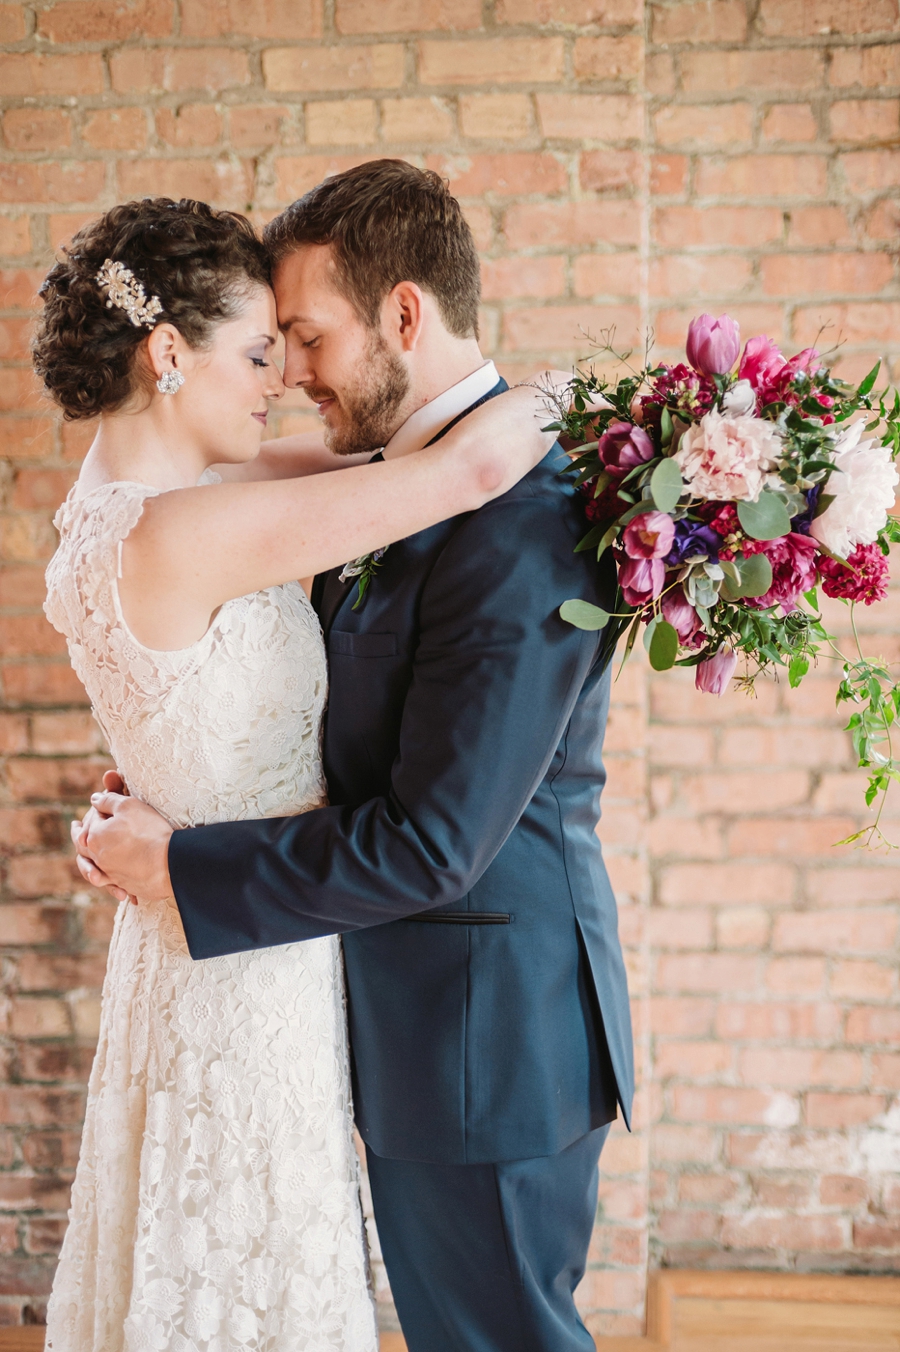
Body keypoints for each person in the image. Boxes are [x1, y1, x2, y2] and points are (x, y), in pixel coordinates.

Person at [73, 161, 635, 1352]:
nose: (291, 376)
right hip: (367, 1011)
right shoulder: (378, 487)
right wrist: (180, 775)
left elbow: (437, 835)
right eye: (268, 347)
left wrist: (188, 862)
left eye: (307, 338)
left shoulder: (517, 519)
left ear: (405, 314)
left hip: (485, 1037)